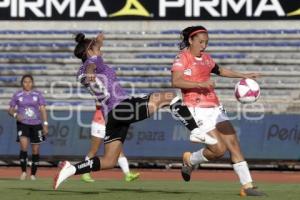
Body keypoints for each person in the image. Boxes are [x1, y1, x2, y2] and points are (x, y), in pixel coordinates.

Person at [53, 31, 218, 190]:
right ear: (90, 51)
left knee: (109, 161)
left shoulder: (80, 72)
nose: (101, 51)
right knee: (170, 97)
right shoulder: (94, 62)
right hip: (122, 107)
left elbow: (88, 70)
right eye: (98, 49)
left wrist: (91, 66)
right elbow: (91, 64)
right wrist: (95, 54)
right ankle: (195, 130)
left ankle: (70, 169)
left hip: (111, 116)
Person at [171, 26, 265, 197]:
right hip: (196, 109)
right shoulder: (182, 58)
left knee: (233, 144)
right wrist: (200, 84)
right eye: (200, 42)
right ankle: (190, 160)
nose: (203, 46)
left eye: (206, 42)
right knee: (218, 150)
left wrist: (244, 76)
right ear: (190, 41)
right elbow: (176, 81)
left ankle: (247, 185)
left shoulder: (206, 59)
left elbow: (220, 70)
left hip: (215, 108)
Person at [8, 74, 48, 180]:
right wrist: (16, 115)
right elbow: (10, 110)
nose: (27, 84)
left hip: (36, 124)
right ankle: (24, 172)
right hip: (23, 124)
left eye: (29, 82)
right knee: (24, 147)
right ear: (22, 83)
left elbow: (43, 109)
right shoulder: (17, 95)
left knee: (35, 150)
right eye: (25, 82)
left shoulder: (38, 94)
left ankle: (33, 174)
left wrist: (45, 124)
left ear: (32, 83)